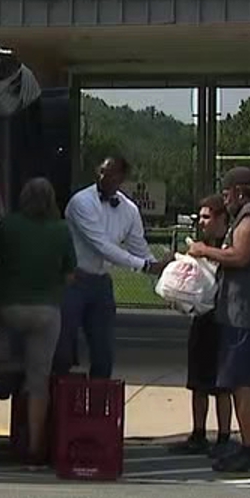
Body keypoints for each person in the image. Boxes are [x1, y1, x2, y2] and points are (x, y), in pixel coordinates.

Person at [187, 166, 250, 474]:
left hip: (246, 315)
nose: (225, 200)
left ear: (239, 191)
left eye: (227, 194)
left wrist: (205, 250)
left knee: (242, 382)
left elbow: (240, 256)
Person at [0, 178, 76, 466]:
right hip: (46, 312)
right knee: (39, 381)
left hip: (9, 308)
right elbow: (69, 275)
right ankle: (35, 447)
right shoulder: (61, 230)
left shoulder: (7, 226)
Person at [61, 156, 164, 380]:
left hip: (101, 282)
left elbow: (139, 246)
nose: (104, 177)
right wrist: (145, 266)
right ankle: (60, 403)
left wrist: (162, 275)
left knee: (104, 351)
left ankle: (98, 405)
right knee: (63, 348)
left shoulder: (129, 209)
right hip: (73, 280)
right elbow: (101, 246)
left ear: (122, 178)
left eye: (112, 173)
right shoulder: (81, 202)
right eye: (102, 171)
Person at [173, 194, 234, 457]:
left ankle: (223, 436)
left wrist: (207, 254)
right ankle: (198, 434)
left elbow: (234, 260)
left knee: (223, 384)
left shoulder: (231, 241)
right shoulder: (199, 244)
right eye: (200, 217)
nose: (202, 222)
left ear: (221, 218)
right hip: (201, 317)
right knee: (197, 381)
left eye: (207, 217)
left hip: (224, 318)